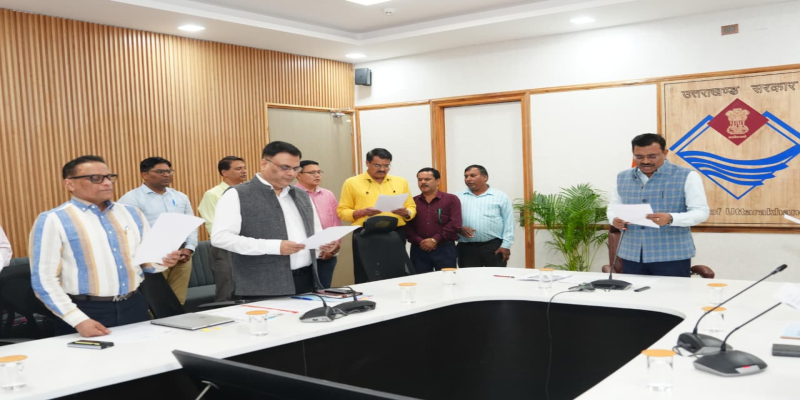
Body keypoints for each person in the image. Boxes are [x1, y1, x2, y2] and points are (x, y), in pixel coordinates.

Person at [30, 155, 180, 337]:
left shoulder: (132, 213)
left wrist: (164, 260)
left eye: (109, 177)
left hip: (134, 304)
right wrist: (77, 319)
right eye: (96, 178)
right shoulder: (53, 220)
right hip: (85, 310)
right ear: (70, 184)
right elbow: (44, 281)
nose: (107, 183)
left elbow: (149, 264)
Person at [211, 142, 336, 298]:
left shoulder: (301, 195)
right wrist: (274, 246)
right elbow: (220, 238)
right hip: (262, 284)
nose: (291, 173)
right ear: (264, 164)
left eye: (295, 168)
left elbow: (315, 231)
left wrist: (324, 245)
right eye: (285, 167)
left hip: (306, 280)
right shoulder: (237, 194)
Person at [607, 133, 710, 277]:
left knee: (671, 292)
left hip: (672, 256)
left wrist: (671, 218)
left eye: (652, 156)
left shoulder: (687, 176)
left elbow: (701, 212)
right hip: (631, 254)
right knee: (634, 292)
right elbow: (613, 207)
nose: (645, 161)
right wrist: (614, 219)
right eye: (639, 157)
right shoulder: (622, 177)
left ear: (665, 153)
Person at [118, 157, 197, 305]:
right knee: (155, 303)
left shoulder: (180, 197)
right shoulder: (131, 199)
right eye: (160, 172)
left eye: (169, 171)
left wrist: (189, 248)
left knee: (178, 301)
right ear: (145, 174)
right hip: (152, 258)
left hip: (181, 255)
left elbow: (191, 224)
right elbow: (126, 232)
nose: (166, 175)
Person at [337, 148, 416, 283]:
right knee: (366, 273)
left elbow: (411, 207)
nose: (382, 169)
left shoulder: (400, 182)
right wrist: (361, 212)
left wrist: (406, 213)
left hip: (395, 234)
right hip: (365, 234)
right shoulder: (352, 182)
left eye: (386, 165)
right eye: (377, 165)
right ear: (367, 163)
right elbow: (342, 211)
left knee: (396, 272)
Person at [198, 156, 247, 301]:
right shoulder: (213, 194)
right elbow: (211, 224)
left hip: (247, 244)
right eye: (238, 169)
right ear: (224, 172)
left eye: (244, 168)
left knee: (247, 287)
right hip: (225, 248)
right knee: (227, 288)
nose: (244, 171)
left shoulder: (248, 192)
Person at [456, 165, 514, 268]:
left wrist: (506, 245)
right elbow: (450, 220)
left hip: (493, 246)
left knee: (495, 276)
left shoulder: (500, 196)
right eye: (466, 176)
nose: (468, 179)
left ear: (485, 177)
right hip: (466, 247)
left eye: (472, 175)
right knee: (468, 277)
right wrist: (459, 228)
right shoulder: (457, 197)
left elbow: (509, 222)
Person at [405, 168, 462, 273]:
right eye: (420, 180)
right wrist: (420, 241)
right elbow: (407, 226)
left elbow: (455, 224)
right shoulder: (412, 202)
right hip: (419, 249)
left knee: (447, 279)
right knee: (421, 280)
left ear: (437, 181)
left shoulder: (451, 199)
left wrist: (435, 240)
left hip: (445, 248)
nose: (423, 182)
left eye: (427, 179)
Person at [295, 160, 340, 288]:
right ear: (298, 174)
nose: (317, 175)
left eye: (319, 172)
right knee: (304, 291)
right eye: (312, 173)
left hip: (328, 252)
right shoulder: (292, 194)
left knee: (324, 289)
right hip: (303, 253)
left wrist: (333, 247)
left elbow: (336, 222)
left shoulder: (328, 194)